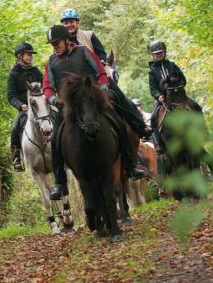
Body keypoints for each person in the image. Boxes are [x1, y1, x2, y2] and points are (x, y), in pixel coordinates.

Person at [43, 25, 147, 200]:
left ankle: (130, 165)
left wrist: (104, 88)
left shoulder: (83, 52)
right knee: (55, 140)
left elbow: (100, 72)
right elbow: (47, 87)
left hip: (91, 100)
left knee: (119, 124)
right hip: (68, 106)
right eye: (52, 43)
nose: (54, 45)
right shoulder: (51, 62)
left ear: (66, 40)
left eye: (56, 42)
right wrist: (53, 100)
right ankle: (61, 183)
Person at [60, 8, 150, 140]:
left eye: (71, 21)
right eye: (66, 22)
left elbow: (101, 52)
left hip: (97, 77)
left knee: (120, 97)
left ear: (77, 22)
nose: (69, 25)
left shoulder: (89, 35)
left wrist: (101, 62)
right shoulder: (60, 41)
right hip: (77, 84)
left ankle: (140, 127)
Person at [148, 40, 202, 154]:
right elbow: (153, 88)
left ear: (164, 52)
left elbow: (183, 79)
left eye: (160, 52)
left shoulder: (172, 65)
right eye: (156, 53)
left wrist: (179, 85)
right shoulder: (152, 71)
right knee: (153, 118)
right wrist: (158, 96)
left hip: (178, 96)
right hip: (164, 98)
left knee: (196, 107)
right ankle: (158, 144)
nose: (159, 55)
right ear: (152, 55)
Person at [7, 42, 43, 171]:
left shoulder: (35, 71)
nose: (31, 57)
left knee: (56, 118)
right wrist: (20, 105)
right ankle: (16, 159)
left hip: (40, 106)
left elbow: (44, 85)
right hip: (26, 109)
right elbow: (11, 96)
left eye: (31, 55)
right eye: (28, 55)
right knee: (15, 128)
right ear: (20, 56)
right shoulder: (14, 75)